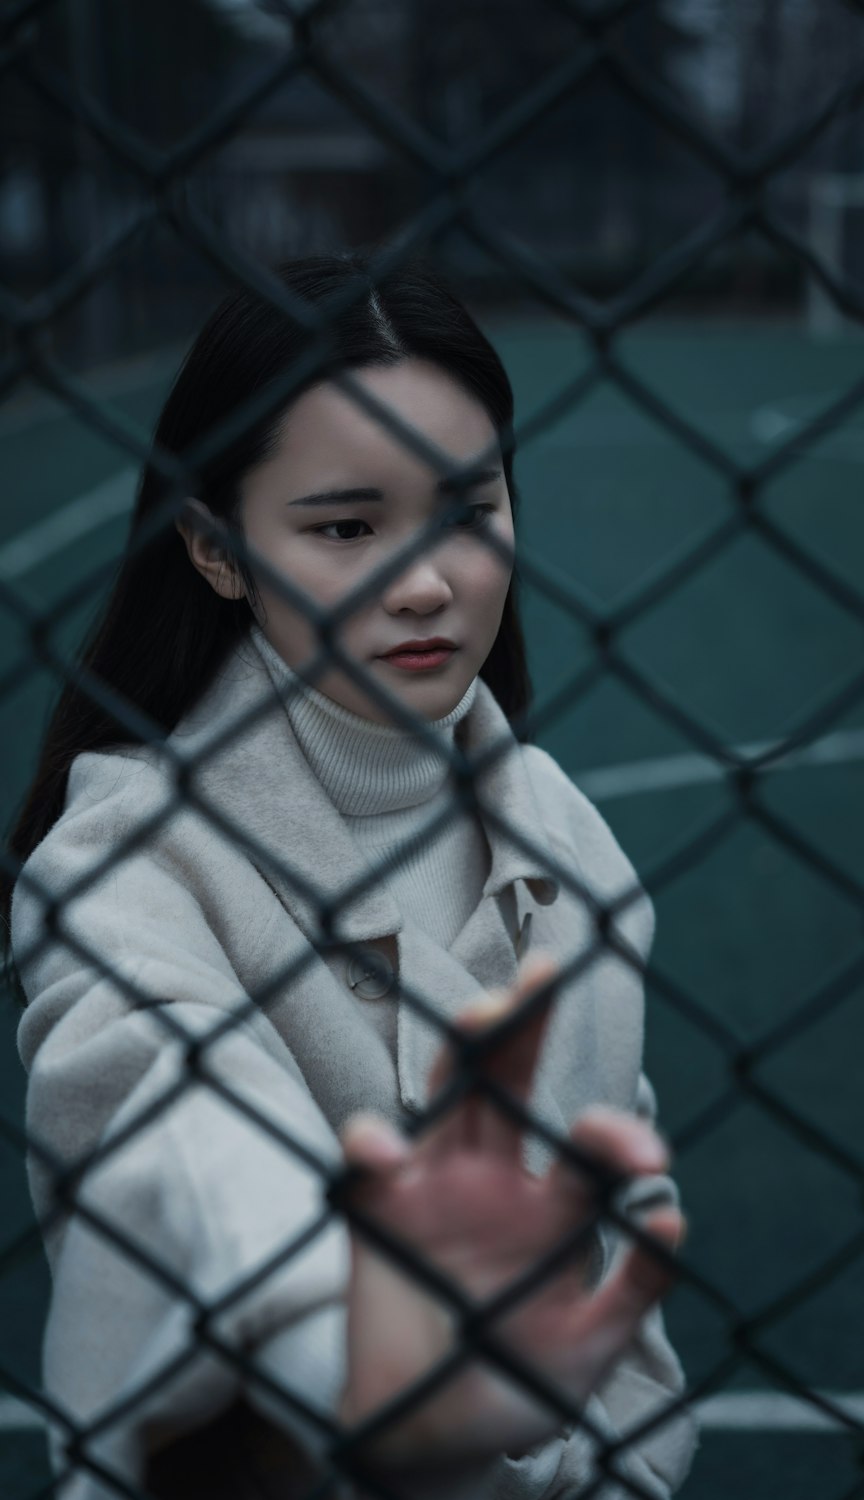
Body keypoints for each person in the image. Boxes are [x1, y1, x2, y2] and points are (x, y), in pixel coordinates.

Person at [2, 254, 699, 1499]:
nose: (425, 582)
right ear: (216, 549)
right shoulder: (124, 858)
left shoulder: (573, 844)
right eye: (345, 527)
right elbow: (165, 1140)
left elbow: (620, 1315)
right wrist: (351, 1347)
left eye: (466, 511)